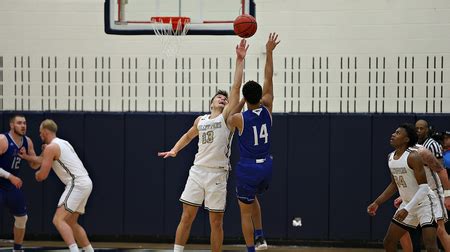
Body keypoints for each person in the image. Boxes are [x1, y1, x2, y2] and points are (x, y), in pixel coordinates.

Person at [157, 39, 248, 252]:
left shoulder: (226, 119)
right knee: (186, 216)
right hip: (197, 172)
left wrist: (239, 60)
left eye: (225, 99)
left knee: (216, 222)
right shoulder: (201, 120)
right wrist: (174, 150)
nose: (223, 99)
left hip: (217, 174)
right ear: (211, 103)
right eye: (219, 97)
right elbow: (188, 136)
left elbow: (236, 87)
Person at [227, 33, 280, 252]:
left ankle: (251, 249)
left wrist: (240, 100)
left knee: (244, 211)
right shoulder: (268, 108)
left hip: (248, 168)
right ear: (260, 96)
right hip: (266, 166)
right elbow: (268, 78)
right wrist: (269, 51)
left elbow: (229, 116)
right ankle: (261, 236)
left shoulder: (239, 119)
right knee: (253, 199)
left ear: (247, 98)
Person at [19, 119, 94, 252]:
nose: (40, 136)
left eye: (41, 133)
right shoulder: (63, 143)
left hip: (76, 183)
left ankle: (74, 250)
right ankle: (89, 250)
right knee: (71, 222)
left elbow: (42, 175)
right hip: (86, 182)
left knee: (58, 220)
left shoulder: (51, 148)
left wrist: (37, 175)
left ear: (46, 132)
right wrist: (26, 157)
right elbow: (40, 160)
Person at [367, 123, 439, 252]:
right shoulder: (390, 157)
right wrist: (377, 202)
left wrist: (406, 209)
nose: (393, 134)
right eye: (394, 132)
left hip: (425, 204)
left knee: (430, 246)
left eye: (398, 133)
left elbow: (424, 188)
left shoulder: (413, 156)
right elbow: (394, 184)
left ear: (406, 139)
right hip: (407, 204)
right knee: (389, 241)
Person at [0, 114, 39, 252]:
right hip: (4, 181)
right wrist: (10, 176)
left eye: (24, 123)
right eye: (19, 123)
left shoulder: (27, 141)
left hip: (11, 186)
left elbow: (34, 165)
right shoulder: (3, 140)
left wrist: (40, 156)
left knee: (22, 218)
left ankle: (17, 249)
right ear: (12, 125)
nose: (23, 125)